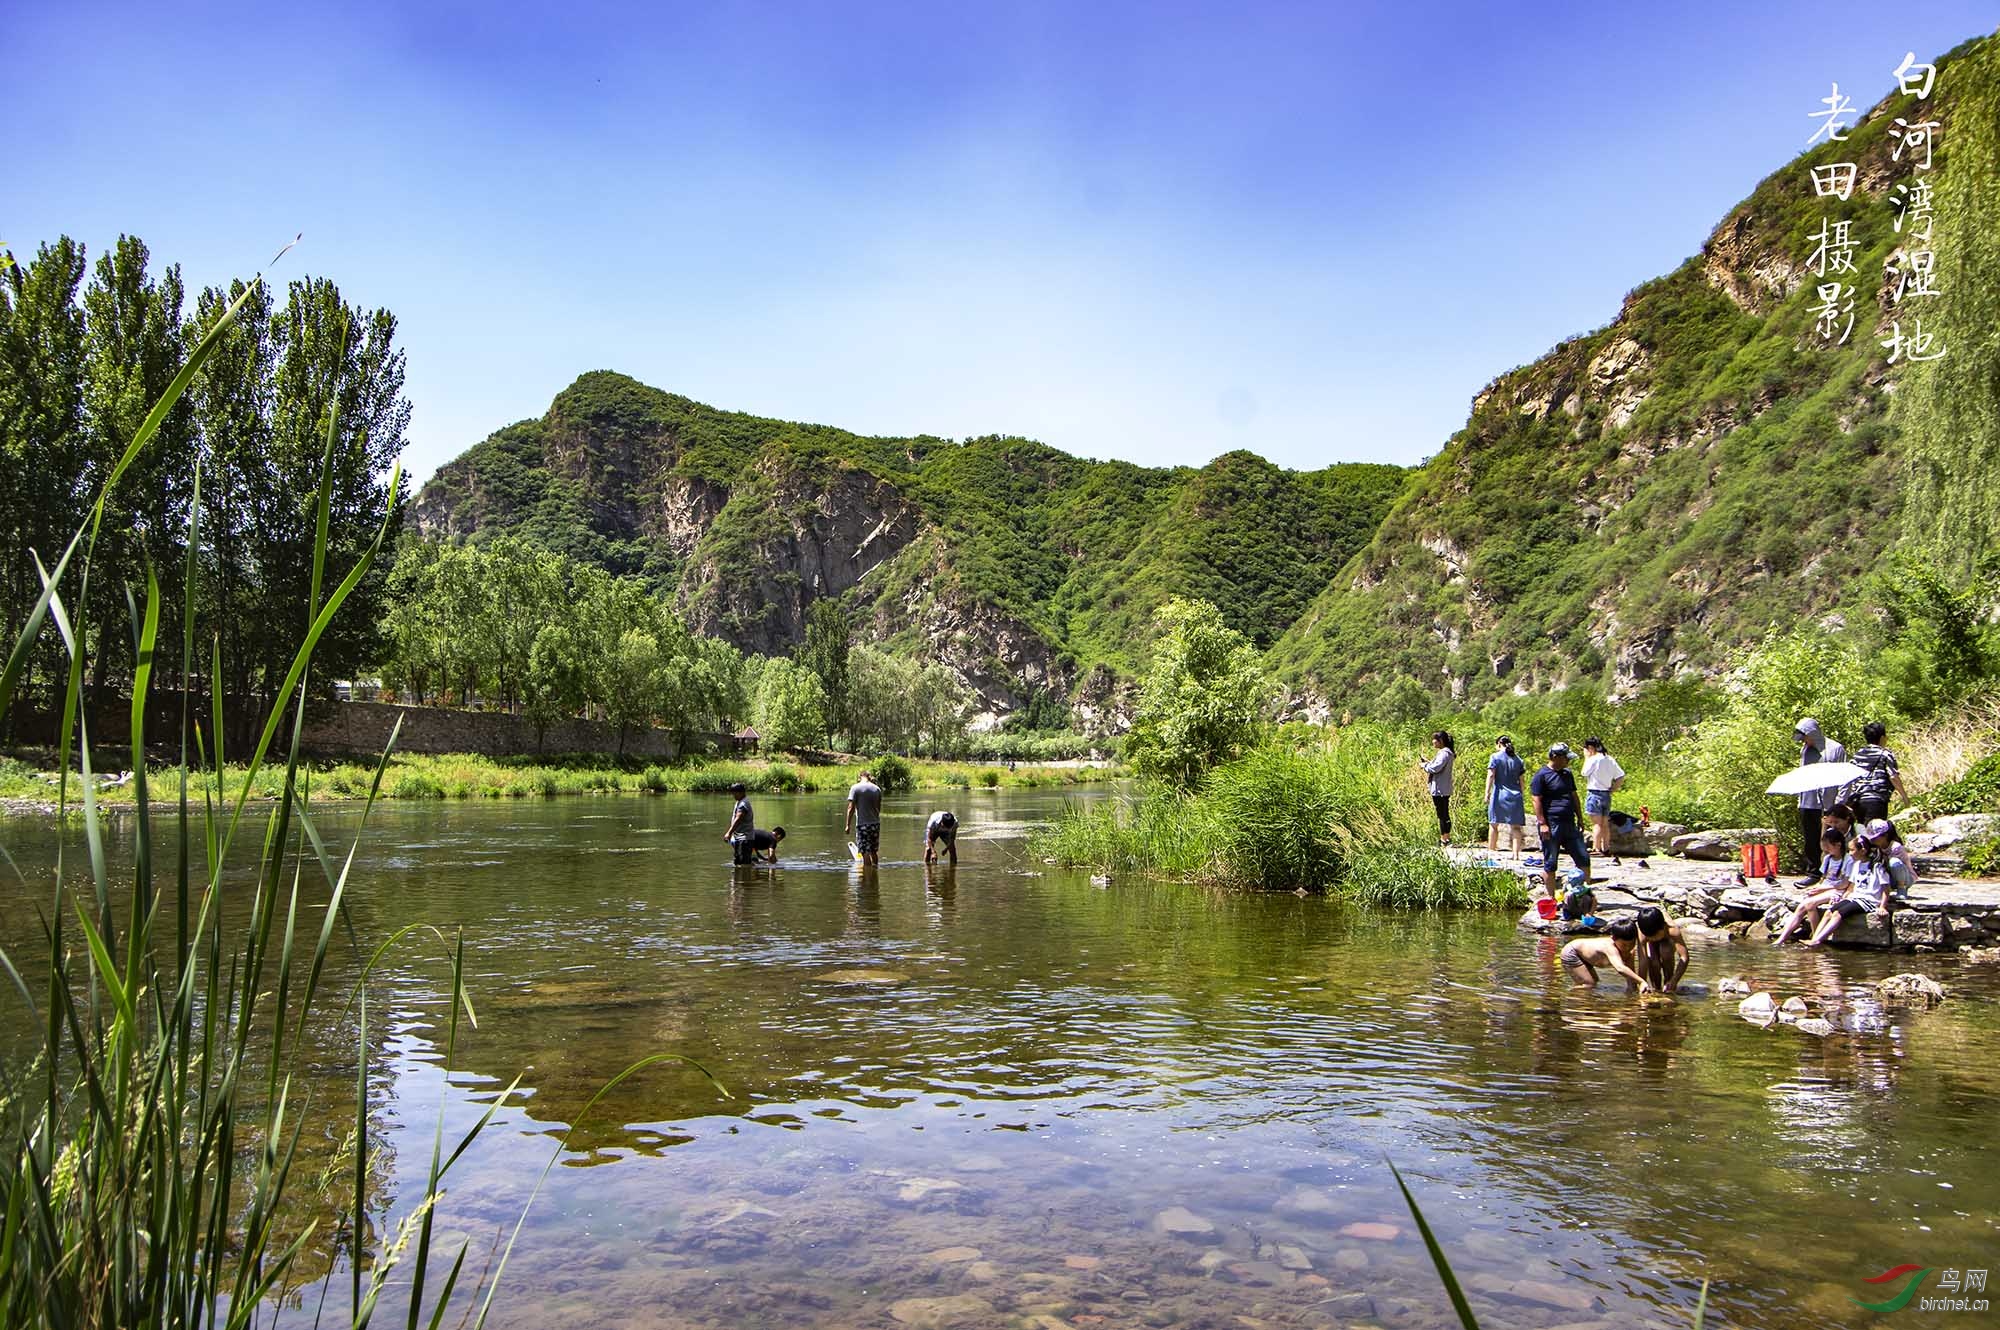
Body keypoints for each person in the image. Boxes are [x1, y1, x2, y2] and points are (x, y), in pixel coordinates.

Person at [1806, 820, 1904, 947]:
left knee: (1837, 914)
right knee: (1829, 912)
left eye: (1852, 850)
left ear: (1862, 850)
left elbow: (1886, 889)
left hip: (1868, 900)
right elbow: (1851, 886)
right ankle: (1815, 937)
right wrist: (1843, 897)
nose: (1850, 853)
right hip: (1855, 897)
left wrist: (1882, 907)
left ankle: (1817, 941)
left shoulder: (1877, 866)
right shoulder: (1856, 865)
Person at [1771, 828, 1852, 944]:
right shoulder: (1828, 858)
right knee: (1801, 907)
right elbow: (1823, 878)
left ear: (1838, 844)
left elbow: (1845, 883)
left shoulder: (1848, 860)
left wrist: (1822, 888)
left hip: (1837, 890)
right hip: (1825, 888)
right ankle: (1781, 939)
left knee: (1810, 904)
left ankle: (1815, 937)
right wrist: (1816, 888)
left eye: (1829, 847)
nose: (1826, 850)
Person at [1531, 743, 1591, 900]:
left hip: (1569, 823)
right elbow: (1536, 799)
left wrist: (1580, 817)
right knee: (1551, 863)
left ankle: (1584, 896)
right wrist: (1542, 823)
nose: (1568, 761)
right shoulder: (1541, 776)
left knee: (1583, 858)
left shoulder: (1567, 774)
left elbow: (1574, 796)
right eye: (1565, 758)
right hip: (1551, 823)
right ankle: (1551, 899)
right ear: (1555, 757)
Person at [1791, 719, 1846, 884]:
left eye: (1805, 737)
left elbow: (1843, 775)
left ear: (1812, 733)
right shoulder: (1805, 750)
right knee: (1811, 839)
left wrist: (1840, 801)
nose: (1804, 741)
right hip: (1808, 800)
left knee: (1832, 839)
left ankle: (1835, 873)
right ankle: (1813, 872)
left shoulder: (1835, 748)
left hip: (1829, 802)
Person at [1844, 721, 1908, 824]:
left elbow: (1850, 777)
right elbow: (1893, 777)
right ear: (1882, 737)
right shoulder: (1885, 754)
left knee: (1863, 833)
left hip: (1858, 801)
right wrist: (1905, 797)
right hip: (1876, 800)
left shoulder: (1858, 755)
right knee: (1876, 834)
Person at [1560, 920, 1651, 991]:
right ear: (1613, 938)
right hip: (1572, 952)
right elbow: (1620, 968)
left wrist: (1634, 995)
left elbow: (1630, 978)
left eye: (1631, 944)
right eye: (1624, 945)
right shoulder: (1609, 947)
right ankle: (1568, 994)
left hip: (1585, 957)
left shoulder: (1630, 952)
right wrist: (1642, 981)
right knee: (1589, 984)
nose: (1627, 948)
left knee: (1594, 982)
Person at [1580, 737, 1626, 861]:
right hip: (1606, 793)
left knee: (1596, 823)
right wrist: (1613, 788)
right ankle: (1606, 847)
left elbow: (1584, 772)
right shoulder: (1609, 759)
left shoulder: (1594, 759)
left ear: (1590, 748)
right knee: (1605, 823)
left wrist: (1586, 758)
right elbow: (1621, 776)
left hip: (1594, 793)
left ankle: (1596, 848)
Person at [1485, 735, 1528, 860]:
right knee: (1516, 827)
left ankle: (1491, 851)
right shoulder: (1518, 759)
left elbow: (1491, 775)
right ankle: (1515, 854)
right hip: (1515, 795)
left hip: (1499, 793)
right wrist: (1521, 793)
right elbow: (1522, 780)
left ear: (1499, 744)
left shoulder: (1495, 757)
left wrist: (1487, 793)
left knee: (1493, 824)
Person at [1634, 906, 1688, 994]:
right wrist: (1642, 983)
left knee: (1666, 952)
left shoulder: (1672, 929)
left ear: (1663, 927)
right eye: (1649, 937)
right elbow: (1643, 961)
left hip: (1667, 940)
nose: (1653, 939)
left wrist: (1674, 980)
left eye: (1655, 936)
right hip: (1653, 934)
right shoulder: (1643, 932)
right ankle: (1656, 988)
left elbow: (1684, 957)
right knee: (1652, 960)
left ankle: (1669, 983)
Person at [1420, 730, 1457, 846]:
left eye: (1435, 739)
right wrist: (1429, 762)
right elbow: (1438, 765)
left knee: (1442, 814)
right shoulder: (1448, 753)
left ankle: (1444, 840)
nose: (1433, 742)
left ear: (1441, 741)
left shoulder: (1444, 753)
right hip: (1444, 788)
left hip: (1440, 788)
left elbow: (1436, 768)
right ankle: (1446, 838)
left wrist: (1424, 765)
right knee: (1444, 813)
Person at [846, 769, 884, 867]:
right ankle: (875, 872)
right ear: (869, 777)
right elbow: (878, 809)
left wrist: (848, 825)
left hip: (862, 825)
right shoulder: (877, 789)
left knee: (864, 852)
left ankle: (867, 876)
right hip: (875, 825)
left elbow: (851, 808)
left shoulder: (855, 788)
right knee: (873, 851)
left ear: (859, 777)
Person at [723, 782, 755, 865]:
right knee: (739, 863)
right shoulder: (740, 801)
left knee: (742, 865)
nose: (733, 795)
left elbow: (738, 819)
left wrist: (729, 833)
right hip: (741, 839)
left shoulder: (743, 804)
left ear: (741, 792)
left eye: (734, 793)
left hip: (744, 839)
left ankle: (744, 878)